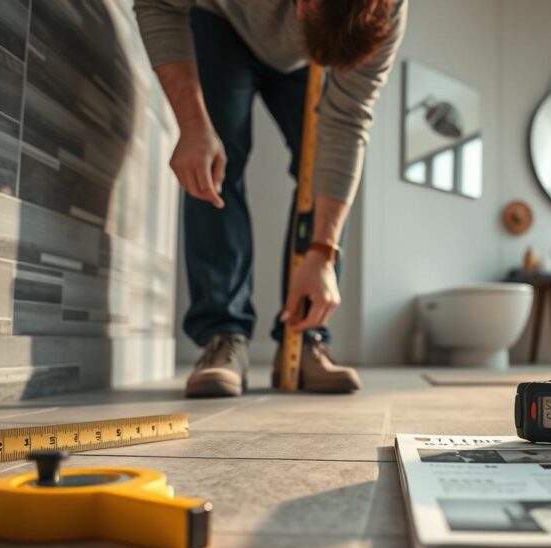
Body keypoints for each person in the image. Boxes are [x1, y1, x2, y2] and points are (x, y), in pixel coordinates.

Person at [133, 0, 406, 396]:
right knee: (213, 161)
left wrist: (323, 251)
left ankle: (305, 335)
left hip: (310, 58)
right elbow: (156, 4)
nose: (292, 21)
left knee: (328, 174)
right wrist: (192, 126)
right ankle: (222, 336)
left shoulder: (387, 11)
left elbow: (347, 124)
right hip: (221, 19)